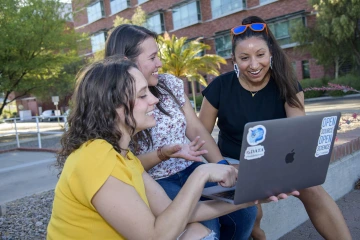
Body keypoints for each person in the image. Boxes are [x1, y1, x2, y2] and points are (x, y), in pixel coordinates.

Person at [47, 58, 279, 239]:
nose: (154, 100)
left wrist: (248, 198)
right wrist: (201, 173)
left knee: (197, 232)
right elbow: (154, 236)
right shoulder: (95, 157)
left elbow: (179, 213)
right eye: (142, 95)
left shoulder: (123, 156)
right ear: (112, 107)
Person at [199, 16, 352, 240]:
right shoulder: (219, 87)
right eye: (244, 58)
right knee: (251, 211)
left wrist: (280, 169)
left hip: (276, 161)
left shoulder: (286, 83)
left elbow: (297, 132)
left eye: (260, 55)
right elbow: (201, 135)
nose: (253, 65)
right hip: (232, 163)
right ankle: (259, 235)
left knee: (313, 190)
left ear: (270, 53)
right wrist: (223, 167)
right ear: (234, 58)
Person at [104, 24, 258, 240]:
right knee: (206, 223)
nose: (160, 63)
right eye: (152, 58)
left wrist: (223, 167)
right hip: (156, 181)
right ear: (126, 62)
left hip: (190, 167)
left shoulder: (169, 85)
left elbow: (195, 128)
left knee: (244, 210)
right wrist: (163, 154)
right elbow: (127, 165)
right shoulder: (116, 106)